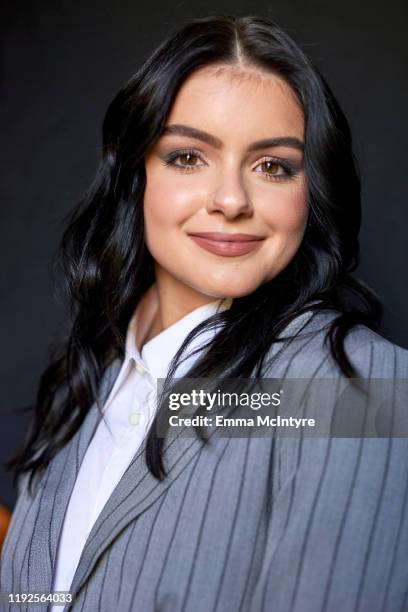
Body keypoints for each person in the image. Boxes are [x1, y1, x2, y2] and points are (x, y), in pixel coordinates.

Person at [1, 13, 407, 612]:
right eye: (189, 157)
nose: (231, 200)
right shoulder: (91, 379)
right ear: (136, 174)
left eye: (274, 166)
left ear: (310, 189)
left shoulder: (359, 390)